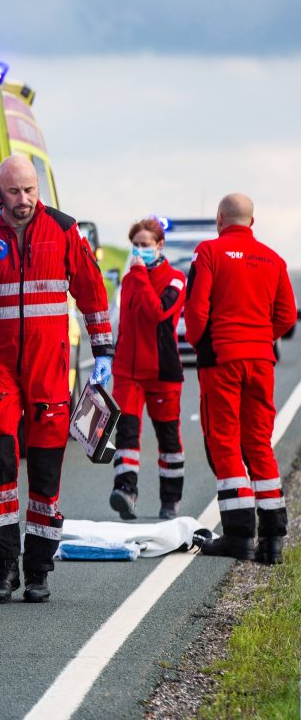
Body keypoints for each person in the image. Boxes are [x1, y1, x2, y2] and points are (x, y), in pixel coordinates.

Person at [0, 155, 113, 603]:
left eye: (31, 191)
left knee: (45, 468)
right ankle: (4, 566)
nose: (24, 201)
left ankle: (39, 568)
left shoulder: (63, 229)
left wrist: (103, 351)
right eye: (15, 192)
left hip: (49, 366)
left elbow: (92, 290)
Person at [184, 193, 296, 565]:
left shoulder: (209, 253)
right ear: (252, 221)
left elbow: (195, 311)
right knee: (259, 443)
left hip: (223, 361)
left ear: (219, 219)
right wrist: (261, 338)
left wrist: (205, 345)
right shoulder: (274, 259)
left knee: (225, 442)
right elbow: (285, 316)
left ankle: (238, 535)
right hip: (260, 361)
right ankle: (273, 539)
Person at [109, 218, 187, 521]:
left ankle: (171, 501)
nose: (139, 251)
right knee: (126, 433)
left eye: (145, 245)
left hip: (162, 373)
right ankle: (125, 491)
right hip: (128, 373)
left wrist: (140, 273)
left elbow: (156, 311)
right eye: (136, 245)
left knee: (168, 439)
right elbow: (121, 324)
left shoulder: (175, 280)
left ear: (159, 245)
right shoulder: (128, 281)